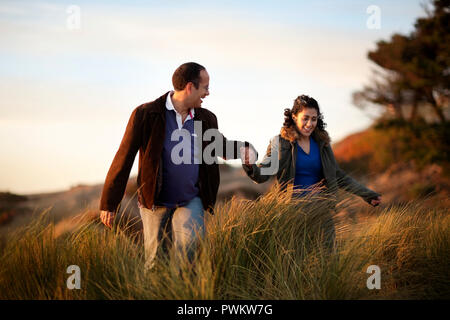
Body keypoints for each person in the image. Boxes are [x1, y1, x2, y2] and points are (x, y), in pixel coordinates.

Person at [100, 62, 256, 269]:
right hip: (155, 201)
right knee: (156, 263)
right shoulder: (146, 114)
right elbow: (124, 156)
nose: (208, 92)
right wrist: (109, 203)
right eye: (205, 87)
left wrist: (243, 149)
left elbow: (218, 146)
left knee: (190, 254)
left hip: (191, 199)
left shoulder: (206, 118)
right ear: (190, 87)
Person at [240, 94, 381, 248]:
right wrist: (250, 165)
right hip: (292, 215)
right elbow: (262, 175)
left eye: (314, 119)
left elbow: (338, 176)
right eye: (305, 118)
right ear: (294, 117)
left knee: (327, 262)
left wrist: (367, 195)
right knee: (296, 263)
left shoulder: (322, 144)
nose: (309, 123)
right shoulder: (280, 143)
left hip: (322, 213)